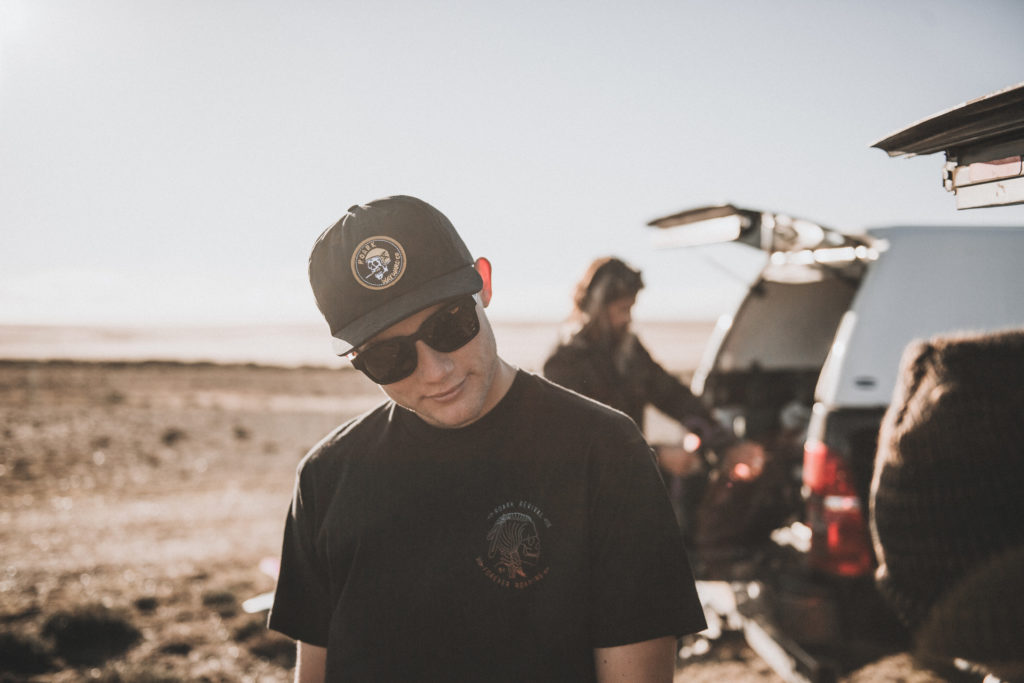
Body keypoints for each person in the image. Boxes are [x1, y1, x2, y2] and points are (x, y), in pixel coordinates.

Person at [267, 196, 706, 682]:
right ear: (355, 360)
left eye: (450, 325)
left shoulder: (605, 453)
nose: (436, 370)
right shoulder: (325, 477)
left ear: (485, 284)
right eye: (389, 358)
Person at [542, 258, 765, 539]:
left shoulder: (629, 352)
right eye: (622, 309)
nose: (627, 319)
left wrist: (726, 445)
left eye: (630, 309)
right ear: (597, 307)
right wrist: (656, 456)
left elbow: (674, 396)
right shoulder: (563, 365)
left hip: (630, 490)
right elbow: (582, 443)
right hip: (584, 503)